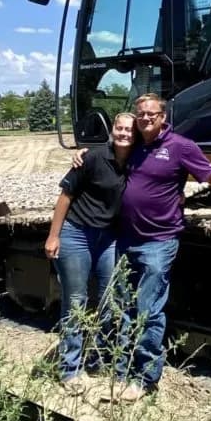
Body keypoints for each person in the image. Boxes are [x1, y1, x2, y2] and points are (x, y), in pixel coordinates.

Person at [74, 92, 211, 401]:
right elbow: (112, 149)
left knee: (148, 311)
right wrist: (83, 152)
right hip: (124, 239)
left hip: (158, 242)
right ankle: (120, 373)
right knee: (121, 308)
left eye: (151, 113)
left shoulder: (180, 147)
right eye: (141, 114)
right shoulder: (136, 144)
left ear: (163, 117)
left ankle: (143, 378)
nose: (145, 118)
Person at [45, 111, 136, 394]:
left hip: (108, 237)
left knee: (111, 298)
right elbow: (65, 196)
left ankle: (97, 356)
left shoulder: (138, 160)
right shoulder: (93, 158)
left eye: (129, 130)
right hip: (77, 233)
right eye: (119, 128)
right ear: (112, 130)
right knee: (76, 300)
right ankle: (70, 369)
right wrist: (53, 235)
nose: (124, 133)